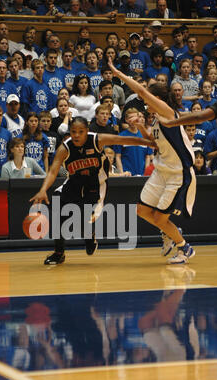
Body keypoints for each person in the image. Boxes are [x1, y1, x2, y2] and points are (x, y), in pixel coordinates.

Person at [29, 116, 156, 265]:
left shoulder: (97, 140)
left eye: (80, 131)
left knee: (82, 217)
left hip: (96, 185)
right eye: (73, 131)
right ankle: (59, 253)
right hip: (74, 183)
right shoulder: (65, 148)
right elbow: (52, 171)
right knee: (58, 211)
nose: (76, 135)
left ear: (87, 131)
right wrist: (43, 189)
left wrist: (149, 142)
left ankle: (89, 236)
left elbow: (124, 140)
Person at [108, 60, 197, 264]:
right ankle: (169, 232)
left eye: (147, 97)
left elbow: (140, 89)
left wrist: (118, 73)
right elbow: (153, 143)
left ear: (156, 98)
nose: (143, 100)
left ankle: (185, 248)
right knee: (141, 210)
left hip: (177, 173)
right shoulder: (156, 119)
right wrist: (140, 126)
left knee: (159, 218)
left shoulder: (167, 112)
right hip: (162, 170)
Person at [115, 107, 153, 176]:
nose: (133, 120)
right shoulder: (121, 137)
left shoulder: (145, 136)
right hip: (127, 174)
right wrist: (121, 173)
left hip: (142, 174)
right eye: (131, 117)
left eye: (136, 117)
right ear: (126, 119)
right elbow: (118, 156)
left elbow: (148, 156)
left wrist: (146, 173)